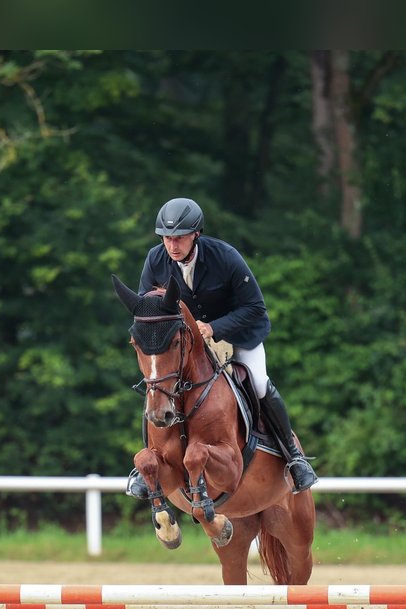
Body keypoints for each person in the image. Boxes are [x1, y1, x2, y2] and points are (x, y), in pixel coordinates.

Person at [125, 197, 319, 497]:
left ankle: (293, 457)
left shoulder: (225, 257)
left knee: (257, 382)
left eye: (178, 238)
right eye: (166, 238)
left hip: (236, 336)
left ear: (196, 234)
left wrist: (213, 327)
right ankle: (147, 463)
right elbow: (148, 310)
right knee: (158, 386)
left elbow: (255, 308)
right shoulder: (155, 259)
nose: (172, 246)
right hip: (188, 344)